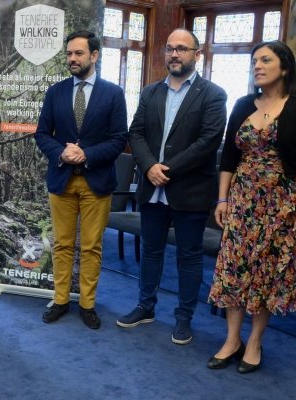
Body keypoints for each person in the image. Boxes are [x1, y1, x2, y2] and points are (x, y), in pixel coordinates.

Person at [207, 40, 296, 373]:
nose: (257, 65)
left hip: (282, 203)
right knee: (234, 270)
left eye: (265, 60)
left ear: (284, 67)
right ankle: (232, 340)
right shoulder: (244, 103)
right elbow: (229, 158)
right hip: (242, 201)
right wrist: (222, 198)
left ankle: (256, 341)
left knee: (267, 274)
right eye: (254, 61)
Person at [120, 29, 227, 344]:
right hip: (152, 189)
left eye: (182, 48)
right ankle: (146, 306)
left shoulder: (213, 94)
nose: (174, 54)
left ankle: (184, 318)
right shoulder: (151, 92)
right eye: (169, 49)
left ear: (197, 54)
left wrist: (166, 169)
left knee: (189, 256)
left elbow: (208, 142)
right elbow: (135, 132)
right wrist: (149, 166)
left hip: (190, 190)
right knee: (151, 251)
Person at [34, 30, 127, 329]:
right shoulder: (55, 92)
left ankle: (87, 304)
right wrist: (63, 153)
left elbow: (118, 139)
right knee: (61, 245)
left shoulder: (113, 93)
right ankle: (61, 300)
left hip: (96, 182)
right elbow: (41, 134)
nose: (72, 59)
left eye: (79, 53)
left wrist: (84, 154)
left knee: (91, 246)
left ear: (94, 55)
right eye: (69, 53)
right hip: (61, 179)